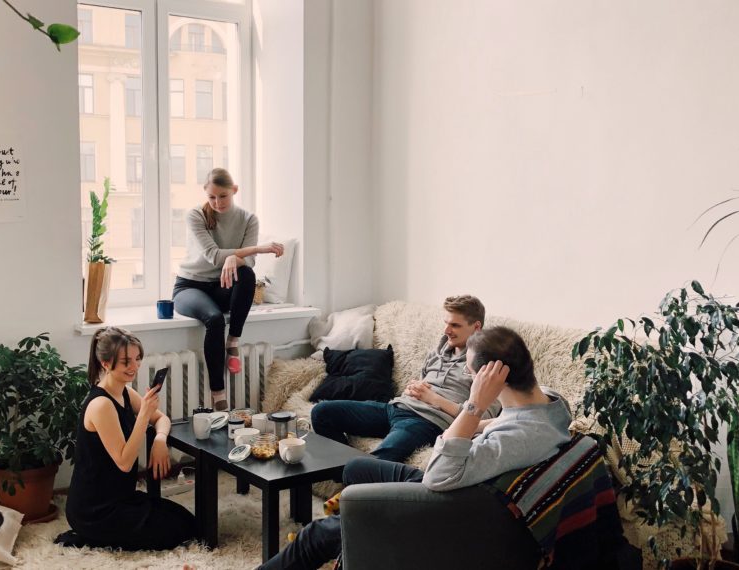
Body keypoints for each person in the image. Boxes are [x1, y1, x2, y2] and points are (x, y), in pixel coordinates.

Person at [259, 326, 572, 570]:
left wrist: (474, 405)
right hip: (462, 478)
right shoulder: (550, 401)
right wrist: (478, 423)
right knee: (356, 468)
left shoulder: (514, 439)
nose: (467, 374)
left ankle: (355, 526)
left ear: (493, 379)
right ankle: (356, 538)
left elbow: (438, 475)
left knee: (315, 535)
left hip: (449, 501)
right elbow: (507, 424)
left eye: (471, 371)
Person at [310, 295, 500, 465]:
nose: (446, 330)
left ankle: (352, 485)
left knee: (378, 461)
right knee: (322, 412)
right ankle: (343, 473)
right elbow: (422, 383)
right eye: (446, 323)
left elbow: (482, 417)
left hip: (425, 422)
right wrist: (412, 389)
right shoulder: (437, 352)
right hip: (395, 408)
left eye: (455, 325)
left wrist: (433, 399)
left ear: (476, 327)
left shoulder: (486, 365)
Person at [60, 326, 196, 551]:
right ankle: (93, 535)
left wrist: (160, 440)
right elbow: (124, 462)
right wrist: (143, 416)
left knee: (186, 521)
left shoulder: (123, 391)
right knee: (174, 533)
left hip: (122, 497)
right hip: (95, 509)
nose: (134, 367)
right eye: (126, 362)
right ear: (106, 363)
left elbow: (161, 418)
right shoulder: (101, 404)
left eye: (137, 359)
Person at [173, 167, 284, 411]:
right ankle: (218, 394)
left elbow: (249, 264)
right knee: (213, 320)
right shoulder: (196, 215)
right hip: (190, 286)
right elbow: (214, 256)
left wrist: (236, 259)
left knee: (246, 273)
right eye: (212, 197)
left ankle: (233, 340)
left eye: (223, 196)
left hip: (222, 287)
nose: (217, 202)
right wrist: (257, 249)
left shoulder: (248, 219)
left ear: (234, 191)